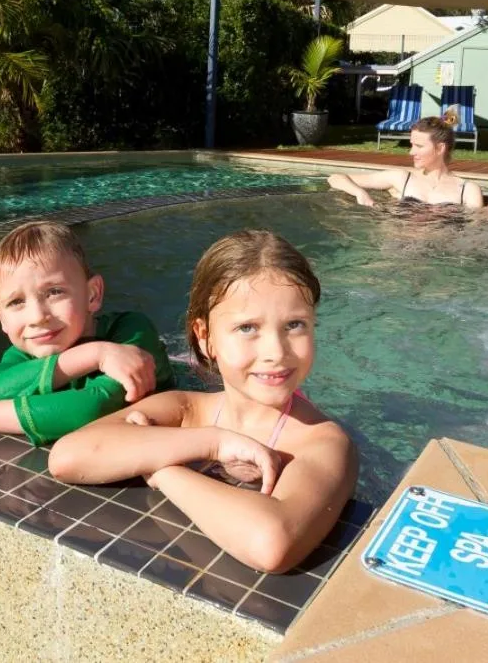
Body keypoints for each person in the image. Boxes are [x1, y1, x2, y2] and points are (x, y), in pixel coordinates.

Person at [48, 230, 357, 574]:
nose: (276, 351)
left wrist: (164, 470)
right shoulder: (186, 410)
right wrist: (213, 442)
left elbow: (271, 544)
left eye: (294, 325)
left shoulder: (321, 442)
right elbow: (66, 457)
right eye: (248, 328)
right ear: (206, 337)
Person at [0, 220, 174, 444]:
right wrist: (96, 354)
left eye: (55, 292)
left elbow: (91, 409)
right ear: (0, 316)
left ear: (92, 294)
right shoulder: (25, 352)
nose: (37, 317)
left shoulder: (131, 332)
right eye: (16, 302)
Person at [326, 113, 484, 208]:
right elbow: (335, 178)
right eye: (411, 145)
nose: (411, 152)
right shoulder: (402, 178)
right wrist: (360, 193)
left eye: (419, 146)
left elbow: (474, 231)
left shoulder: (468, 190)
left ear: (440, 148)